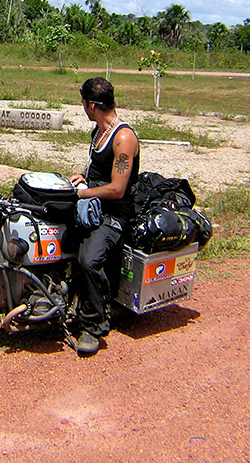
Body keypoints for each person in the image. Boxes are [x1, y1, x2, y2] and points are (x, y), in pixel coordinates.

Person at [68, 77, 140, 356]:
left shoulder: (123, 138)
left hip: (114, 213)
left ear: (92, 105)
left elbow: (118, 188)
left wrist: (81, 194)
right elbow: (101, 172)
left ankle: (94, 325)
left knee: (88, 260)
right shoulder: (98, 132)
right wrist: (83, 178)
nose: (83, 108)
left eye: (84, 103)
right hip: (94, 204)